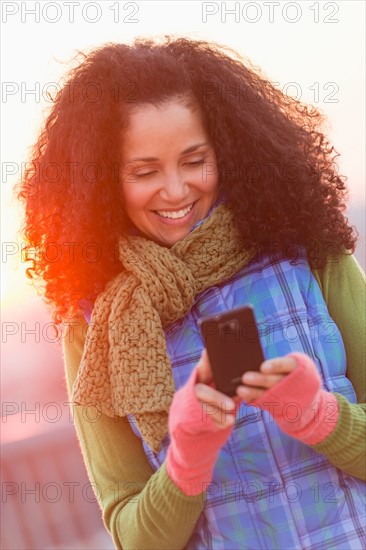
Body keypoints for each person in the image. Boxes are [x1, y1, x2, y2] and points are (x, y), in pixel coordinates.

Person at [16, 36, 365, 549]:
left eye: (194, 160)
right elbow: (134, 537)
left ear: (226, 150)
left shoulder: (308, 250)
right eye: (144, 171)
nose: (176, 190)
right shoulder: (90, 324)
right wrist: (188, 458)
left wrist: (318, 414)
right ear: (104, 182)